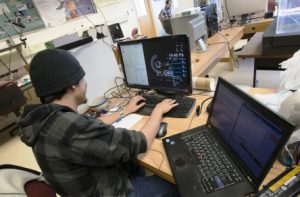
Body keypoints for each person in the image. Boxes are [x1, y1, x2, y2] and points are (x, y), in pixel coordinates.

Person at [17, 49, 180, 197]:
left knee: (134, 165)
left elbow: (90, 123)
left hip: (86, 187)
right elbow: (140, 141)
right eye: (82, 78)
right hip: (110, 192)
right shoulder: (73, 128)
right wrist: (158, 110)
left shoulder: (44, 117)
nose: (85, 83)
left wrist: (125, 111)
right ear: (73, 84)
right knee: (176, 183)